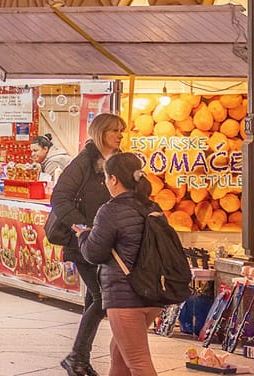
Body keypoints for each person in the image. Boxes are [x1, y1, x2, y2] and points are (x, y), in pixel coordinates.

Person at [52, 113, 126, 376]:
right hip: (83, 242)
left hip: (107, 242)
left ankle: (80, 358)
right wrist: (81, 226)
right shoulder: (84, 161)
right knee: (102, 298)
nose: (119, 135)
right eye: (114, 130)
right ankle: (77, 357)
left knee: (93, 300)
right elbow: (59, 197)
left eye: (121, 130)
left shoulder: (117, 161)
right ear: (100, 132)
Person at [78, 152, 160, 376]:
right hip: (153, 293)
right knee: (119, 352)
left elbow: (94, 253)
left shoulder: (110, 210)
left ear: (113, 179)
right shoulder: (153, 208)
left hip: (126, 296)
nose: (105, 182)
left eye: (106, 177)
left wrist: (84, 236)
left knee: (137, 361)